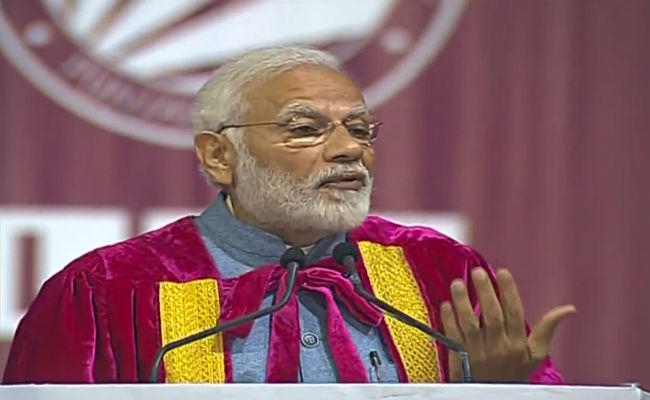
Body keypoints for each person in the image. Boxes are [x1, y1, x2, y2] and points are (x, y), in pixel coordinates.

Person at [2, 46, 575, 384]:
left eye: (360, 129)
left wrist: (503, 394)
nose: (349, 149)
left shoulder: (439, 271)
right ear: (219, 155)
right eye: (305, 129)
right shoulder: (106, 291)